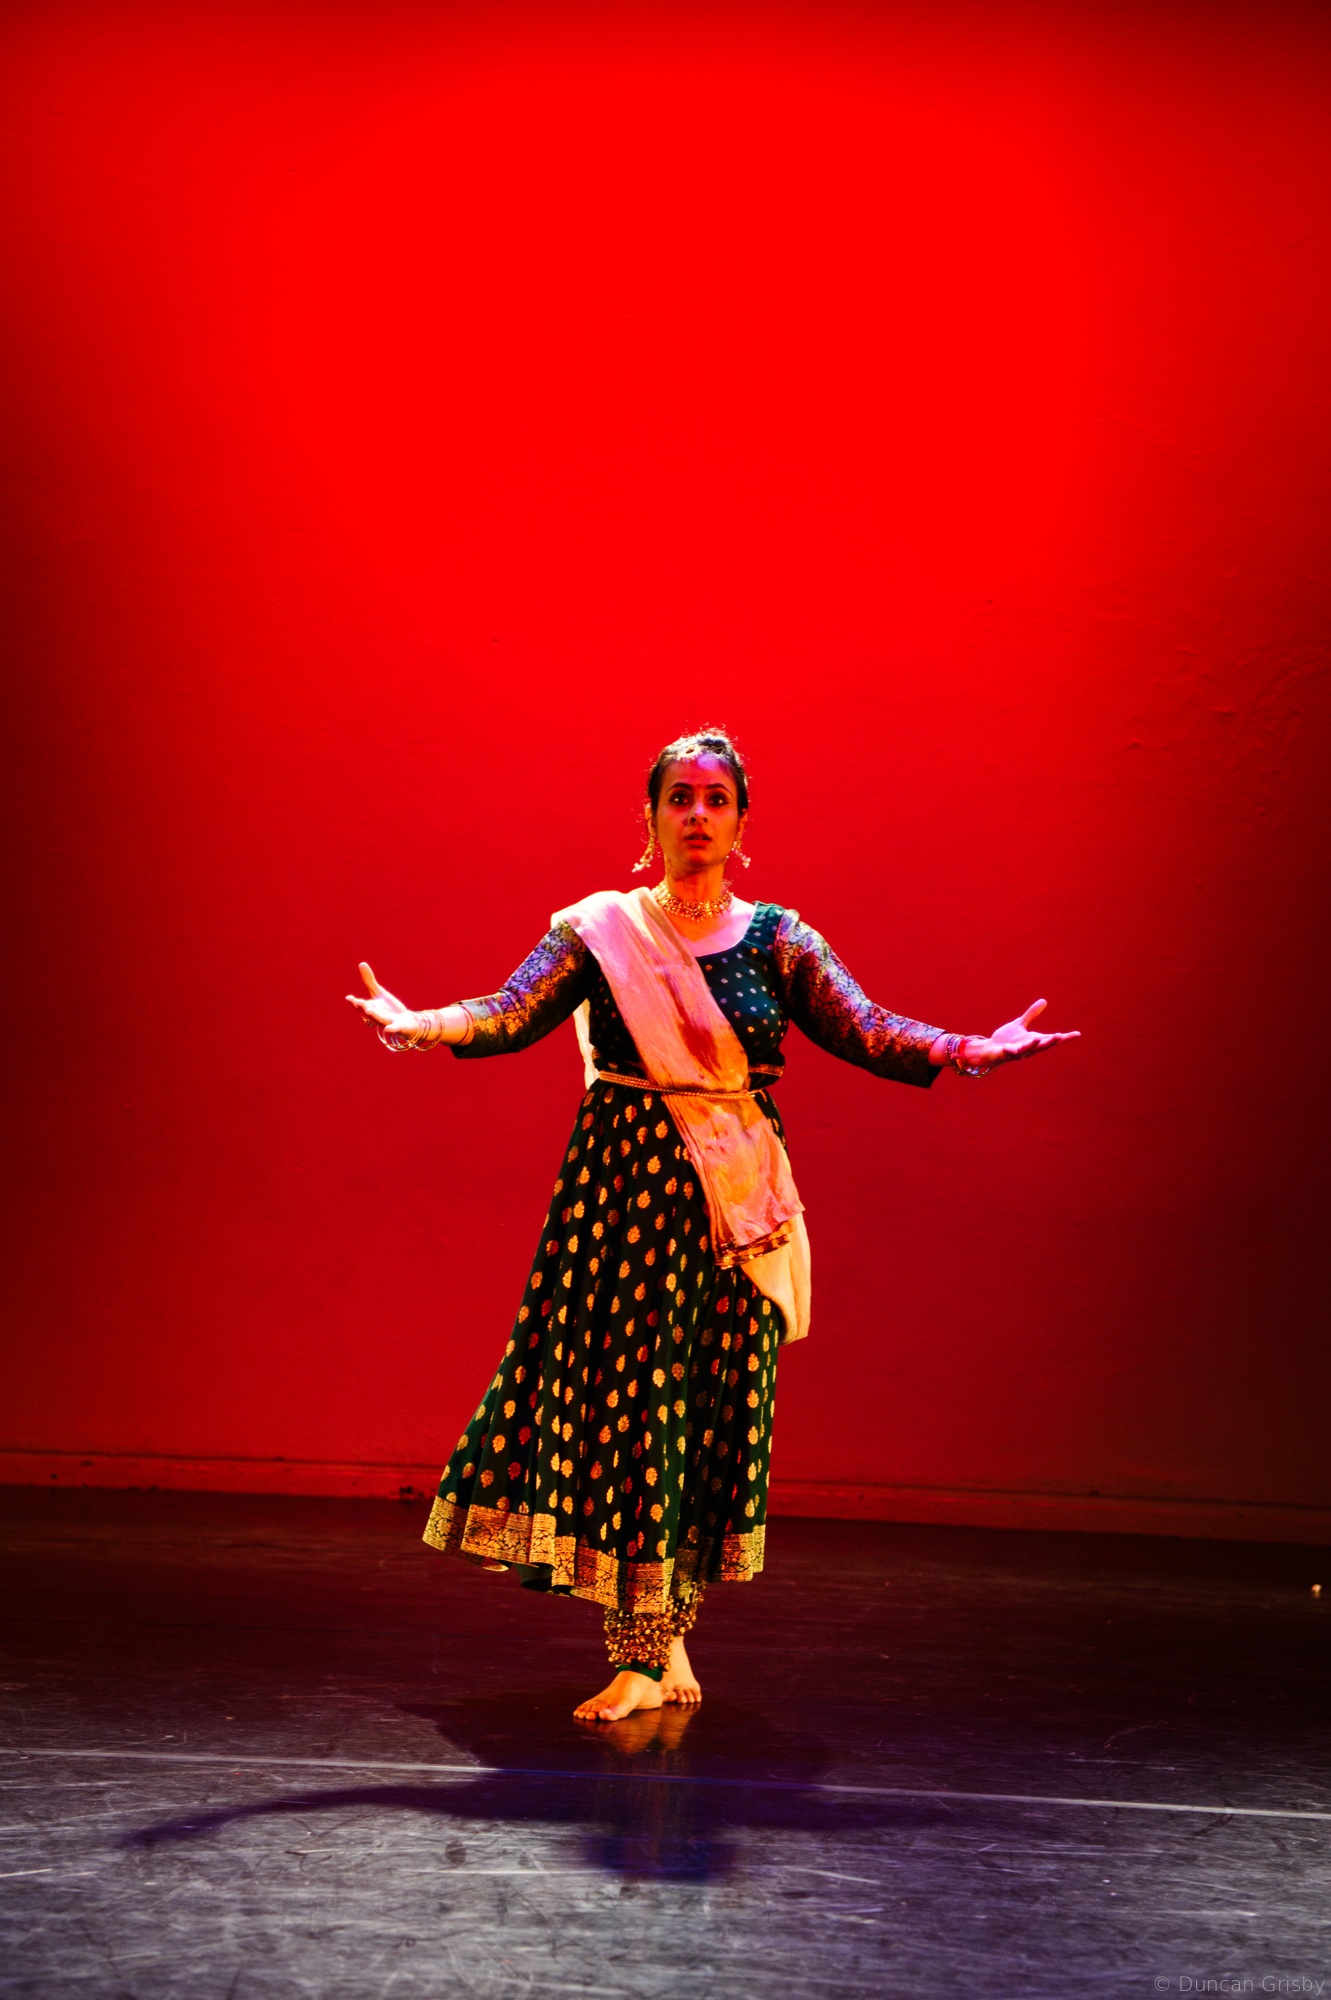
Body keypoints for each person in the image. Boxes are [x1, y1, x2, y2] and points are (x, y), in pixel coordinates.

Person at [346, 729, 1078, 1723]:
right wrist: (423, 1023)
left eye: (715, 798)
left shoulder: (779, 939)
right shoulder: (600, 930)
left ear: (740, 822)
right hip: (622, 1204)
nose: (696, 814)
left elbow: (866, 1026)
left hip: (737, 1204)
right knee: (630, 1414)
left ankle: (667, 1631)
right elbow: (511, 1011)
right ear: (648, 817)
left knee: (711, 1410)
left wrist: (969, 1048)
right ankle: (642, 1654)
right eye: (679, 797)